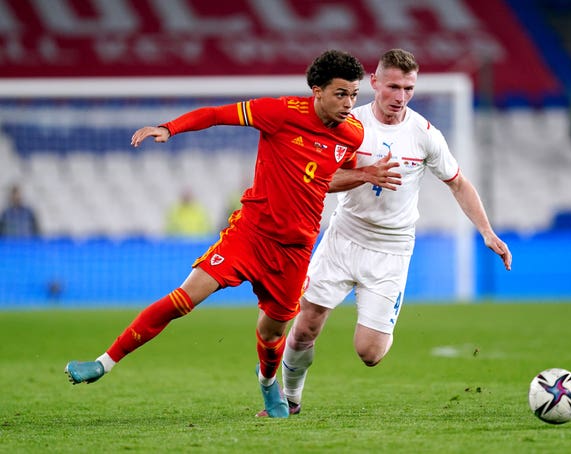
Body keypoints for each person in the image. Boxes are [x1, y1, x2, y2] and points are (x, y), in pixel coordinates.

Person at [64, 49, 402, 419]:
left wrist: (366, 175)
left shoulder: (351, 134)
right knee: (184, 299)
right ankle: (104, 362)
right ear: (317, 90)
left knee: (273, 334)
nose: (349, 103)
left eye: (354, 95)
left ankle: (268, 383)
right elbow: (214, 115)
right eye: (341, 94)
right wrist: (169, 128)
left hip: (295, 248)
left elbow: (327, 178)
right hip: (251, 233)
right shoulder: (279, 112)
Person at [281, 49, 512, 414]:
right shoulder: (348, 125)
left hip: (391, 249)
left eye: (409, 87)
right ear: (374, 83)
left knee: (369, 353)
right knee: (307, 323)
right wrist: (364, 174)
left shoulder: (424, 134)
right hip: (344, 236)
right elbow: (318, 180)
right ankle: (289, 399)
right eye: (393, 86)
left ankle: (384, 313)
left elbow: (458, 183)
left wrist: (486, 231)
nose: (400, 96)